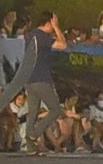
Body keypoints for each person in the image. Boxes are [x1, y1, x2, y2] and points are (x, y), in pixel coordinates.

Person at [18, 11, 67, 153]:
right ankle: (34, 133)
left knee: (33, 110)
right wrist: (57, 28)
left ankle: (30, 145)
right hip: (41, 78)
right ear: (49, 22)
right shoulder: (42, 37)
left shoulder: (30, 35)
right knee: (55, 108)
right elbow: (63, 45)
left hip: (29, 78)